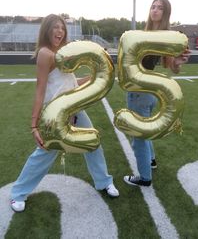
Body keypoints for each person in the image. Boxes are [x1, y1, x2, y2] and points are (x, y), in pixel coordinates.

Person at [10, 14, 119, 213]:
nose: (59, 31)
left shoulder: (64, 53)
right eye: (55, 27)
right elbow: (40, 89)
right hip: (56, 114)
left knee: (93, 144)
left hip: (75, 108)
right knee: (44, 153)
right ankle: (18, 193)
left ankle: (104, 182)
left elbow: (73, 83)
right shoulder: (45, 53)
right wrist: (34, 124)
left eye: (62, 28)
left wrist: (100, 72)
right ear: (47, 30)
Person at [124, 0, 190, 187]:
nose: (155, 10)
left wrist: (177, 63)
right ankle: (151, 160)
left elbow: (172, 67)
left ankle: (144, 178)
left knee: (139, 135)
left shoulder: (164, 36)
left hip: (141, 92)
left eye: (160, 8)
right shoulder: (148, 33)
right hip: (147, 91)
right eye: (153, 6)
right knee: (146, 127)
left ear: (165, 13)